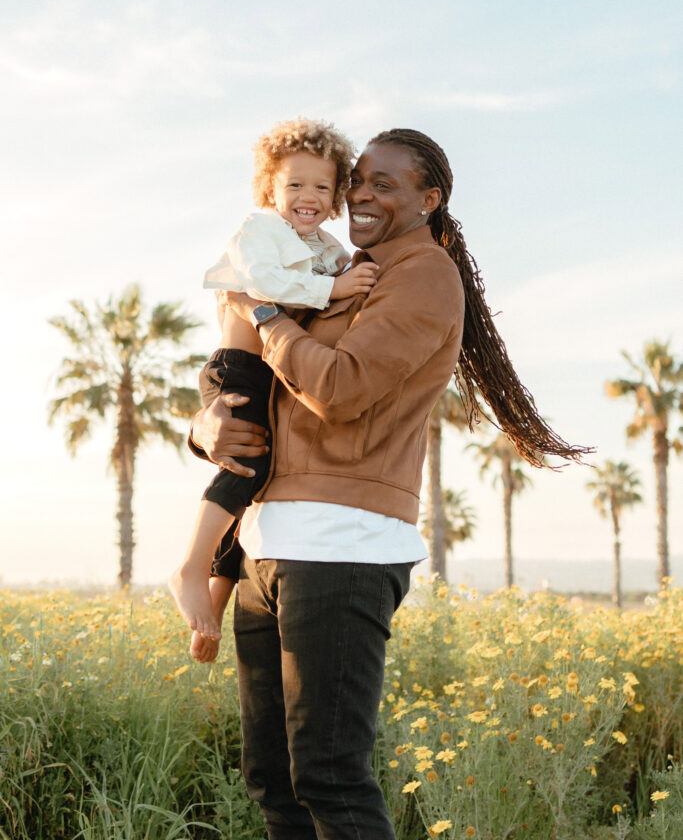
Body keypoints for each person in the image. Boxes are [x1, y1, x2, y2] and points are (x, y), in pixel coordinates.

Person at [190, 127, 590, 840]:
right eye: (358, 181)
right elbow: (254, 384)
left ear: (428, 199)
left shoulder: (423, 274)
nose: (359, 196)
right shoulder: (336, 268)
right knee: (273, 782)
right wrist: (204, 427)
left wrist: (265, 312)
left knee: (329, 779)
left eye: (384, 184)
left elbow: (339, 388)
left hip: (341, 546)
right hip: (266, 546)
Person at [170, 118, 378, 644]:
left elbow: (344, 275)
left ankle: (215, 600)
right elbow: (265, 283)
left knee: (259, 481)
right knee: (247, 464)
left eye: (322, 187)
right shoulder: (259, 231)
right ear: (271, 189)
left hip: (273, 374)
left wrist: (349, 277)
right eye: (295, 184)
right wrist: (335, 289)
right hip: (238, 367)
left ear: (335, 199)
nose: (308, 195)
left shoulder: (326, 247)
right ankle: (192, 567)